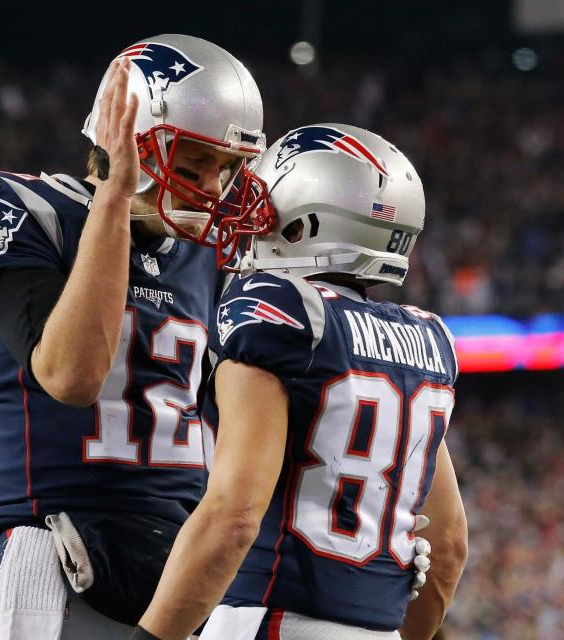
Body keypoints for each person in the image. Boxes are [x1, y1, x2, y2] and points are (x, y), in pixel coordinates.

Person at [0, 34, 271, 639]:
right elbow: (72, 375)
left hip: (181, 562)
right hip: (49, 550)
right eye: (195, 165)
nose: (214, 190)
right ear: (131, 142)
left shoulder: (213, 261)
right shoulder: (21, 207)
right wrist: (113, 197)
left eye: (226, 169)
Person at [132, 124, 467, 640]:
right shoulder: (428, 338)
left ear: (306, 223)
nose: (248, 217)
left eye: (264, 205)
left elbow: (235, 515)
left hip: (270, 617)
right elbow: (446, 544)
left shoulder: (278, 311)